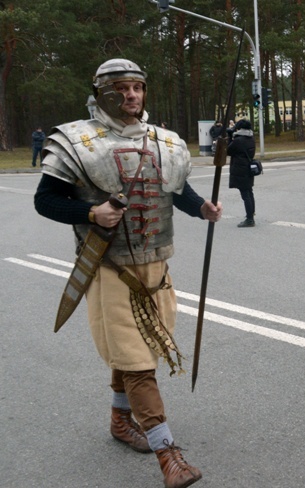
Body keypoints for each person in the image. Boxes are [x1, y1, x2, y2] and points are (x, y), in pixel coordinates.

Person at [33, 58, 222, 488]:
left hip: (157, 267)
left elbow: (177, 191)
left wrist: (202, 209)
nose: (132, 95)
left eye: (137, 87)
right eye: (122, 88)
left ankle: (121, 421)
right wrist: (88, 212)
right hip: (110, 268)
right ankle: (167, 454)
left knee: (139, 351)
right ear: (101, 93)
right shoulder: (76, 141)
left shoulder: (165, 142)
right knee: (138, 362)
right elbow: (46, 200)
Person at [227, 118, 257, 227]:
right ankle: (251, 214)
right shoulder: (251, 138)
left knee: (245, 194)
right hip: (248, 168)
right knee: (249, 191)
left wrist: (230, 136)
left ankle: (249, 219)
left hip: (240, 169)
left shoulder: (239, 140)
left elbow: (228, 150)